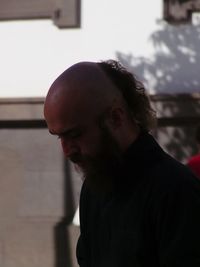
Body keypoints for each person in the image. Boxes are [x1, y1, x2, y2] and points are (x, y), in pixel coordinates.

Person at [44, 60, 200, 267]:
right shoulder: (94, 189)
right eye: (59, 137)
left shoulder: (177, 191)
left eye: (75, 134)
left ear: (116, 118)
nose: (67, 150)